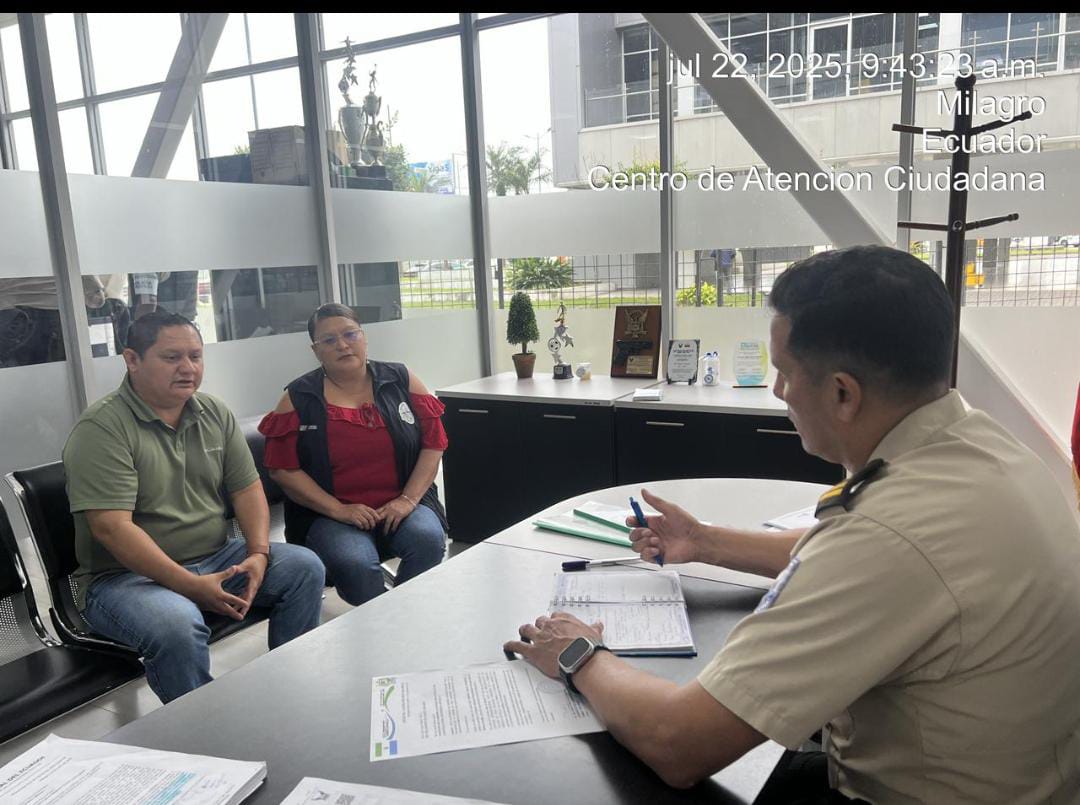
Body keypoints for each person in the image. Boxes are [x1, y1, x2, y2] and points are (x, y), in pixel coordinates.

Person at [505, 245, 1080, 804]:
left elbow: (677, 743)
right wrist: (704, 542)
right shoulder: (990, 451)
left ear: (842, 393)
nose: (778, 391)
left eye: (783, 371)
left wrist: (580, 654)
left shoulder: (885, 537)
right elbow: (884, 559)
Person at [63, 311, 325, 704]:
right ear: (132, 360)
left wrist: (257, 553)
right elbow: (112, 528)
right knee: (177, 626)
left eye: (196, 356)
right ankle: (204, 729)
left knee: (304, 568)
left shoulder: (213, 412)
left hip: (216, 556)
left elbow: (247, 488)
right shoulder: (102, 428)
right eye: (172, 357)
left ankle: (288, 696)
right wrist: (189, 586)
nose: (188, 368)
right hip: (124, 579)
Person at [259, 303, 448, 606]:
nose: (343, 345)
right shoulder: (298, 397)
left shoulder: (401, 379)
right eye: (329, 340)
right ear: (316, 351)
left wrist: (408, 499)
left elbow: (433, 444)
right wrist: (338, 509)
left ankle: (400, 614)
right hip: (330, 515)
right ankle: (391, 620)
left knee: (428, 540)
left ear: (364, 337)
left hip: (403, 503)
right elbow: (283, 470)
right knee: (355, 564)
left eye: (350, 334)